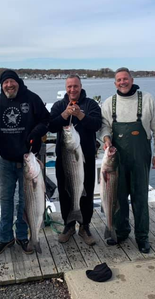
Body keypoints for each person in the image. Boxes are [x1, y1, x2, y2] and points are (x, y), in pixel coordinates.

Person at [100, 67, 155, 253]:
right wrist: (106, 138)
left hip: (140, 159)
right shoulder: (109, 103)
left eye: (125, 79)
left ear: (132, 79)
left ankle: (142, 237)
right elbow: (104, 126)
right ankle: (120, 232)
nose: (122, 82)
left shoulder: (147, 100)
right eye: (119, 80)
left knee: (140, 199)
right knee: (117, 198)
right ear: (115, 83)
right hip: (116, 161)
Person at [0, 69, 50, 256]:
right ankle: (5, 237)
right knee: (6, 200)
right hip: (6, 160)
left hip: (28, 160)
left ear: (18, 82)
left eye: (11, 82)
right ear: (1, 85)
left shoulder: (31, 98)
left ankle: (24, 236)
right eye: (5, 83)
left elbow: (46, 120)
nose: (9, 85)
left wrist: (35, 133)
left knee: (25, 202)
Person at [49, 75, 102, 246]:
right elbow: (51, 125)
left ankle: (84, 226)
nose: (72, 90)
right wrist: (65, 114)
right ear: (66, 88)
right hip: (65, 157)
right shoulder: (58, 106)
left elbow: (96, 125)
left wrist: (79, 115)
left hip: (85, 157)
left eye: (75, 86)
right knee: (66, 191)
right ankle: (69, 225)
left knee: (85, 191)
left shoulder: (91, 104)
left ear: (81, 86)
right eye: (69, 86)